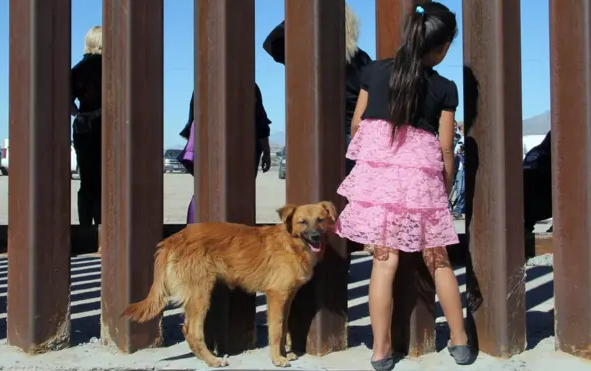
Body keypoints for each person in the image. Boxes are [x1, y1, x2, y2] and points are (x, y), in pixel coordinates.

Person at [334, 3, 470, 369]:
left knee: (384, 262)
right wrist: (441, 185)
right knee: (438, 259)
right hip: (420, 179)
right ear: (441, 47)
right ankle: (459, 341)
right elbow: (445, 148)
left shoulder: (375, 71)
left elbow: (357, 125)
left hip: (380, 179)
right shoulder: (444, 87)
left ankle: (381, 350)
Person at [262, 3, 371, 174]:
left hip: (312, 132)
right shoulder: (362, 59)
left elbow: (271, 43)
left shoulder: (308, 57)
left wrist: (297, 19)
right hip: (350, 136)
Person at [177, 84, 272, 223]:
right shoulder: (248, 84)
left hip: (219, 145)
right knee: (239, 194)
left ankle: (200, 226)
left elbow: (193, 120)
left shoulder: (204, 85)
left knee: (207, 191)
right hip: (243, 146)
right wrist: (266, 151)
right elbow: (261, 121)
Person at [71, 26, 103, 226]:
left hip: (84, 127)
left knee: (87, 181)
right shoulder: (111, 67)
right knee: (104, 179)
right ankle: (103, 226)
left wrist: (82, 114)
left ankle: (85, 227)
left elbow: (66, 98)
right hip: (105, 128)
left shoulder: (79, 68)